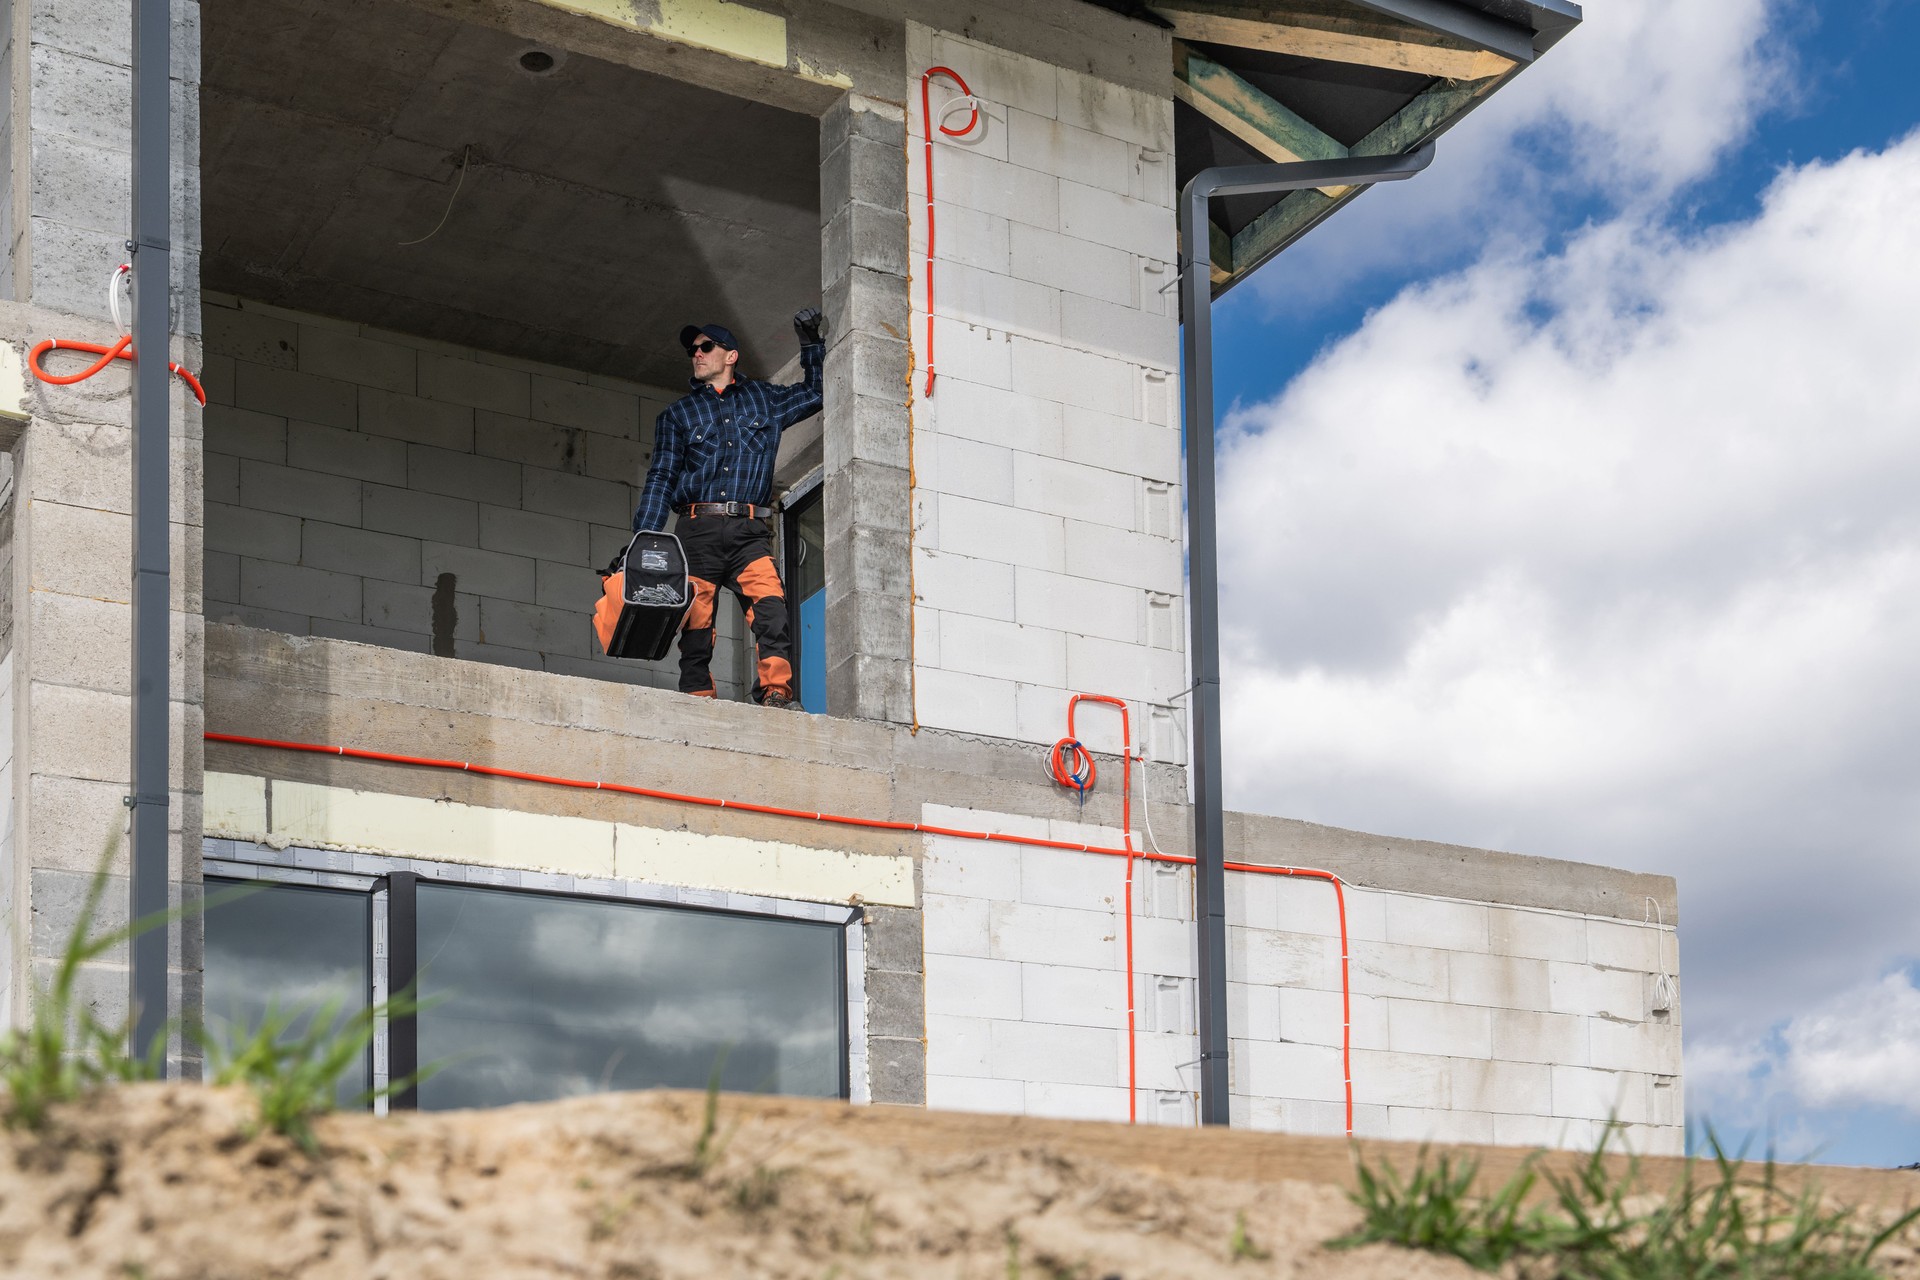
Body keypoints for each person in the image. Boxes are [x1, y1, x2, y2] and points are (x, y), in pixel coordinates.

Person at [628, 308, 826, 709]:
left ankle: (775, 692)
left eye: (705, 347)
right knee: (696, 620)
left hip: (749, 532)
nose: (696, 354)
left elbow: (817, 392)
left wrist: (810, 344)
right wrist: (642, 540)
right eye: (693, 350)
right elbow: (661, 477)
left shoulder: (764, 400)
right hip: (696, 530)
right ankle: (698, 696)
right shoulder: (678, 415)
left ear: (730, 355)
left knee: (772, 609)